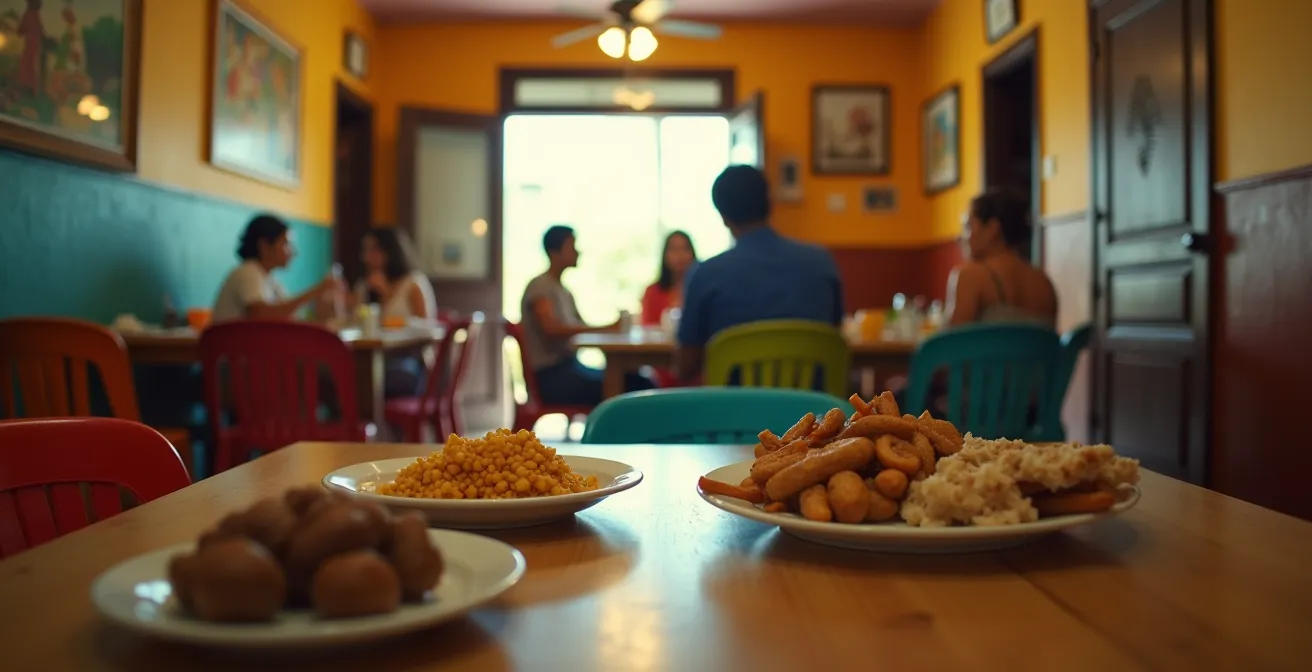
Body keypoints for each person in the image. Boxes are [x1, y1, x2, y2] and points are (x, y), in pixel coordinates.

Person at [676, 165, 844, 383]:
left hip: (733, 414)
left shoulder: (705, 274)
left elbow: (686, 367)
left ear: (724, 217)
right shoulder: (822, 263)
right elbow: (835, 335)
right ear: (771, 205)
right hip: (813, 412)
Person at [520, 225, 654, 406]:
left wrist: (612, 327)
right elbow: (551, 329)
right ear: (555, 252)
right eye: (572, 246)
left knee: (638, 380)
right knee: (628, 385)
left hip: (570, 368)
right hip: (552, 377)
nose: (578, 252)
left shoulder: (563, 291)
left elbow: (580, 327)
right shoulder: (541, 287)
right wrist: (607, 328)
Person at [945, 189, 1057, 328]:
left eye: (968, 226)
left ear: (992, 229)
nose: (959, 238)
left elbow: (951, 345)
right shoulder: (1044, 282)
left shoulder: (969, 276)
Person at [212, 214, 341, 322]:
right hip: (233, 351)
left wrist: (322, 309)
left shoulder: (271, 282)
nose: (293, 252)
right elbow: (261, 315)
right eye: (286, 244)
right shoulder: (247, 272)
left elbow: (288, 317)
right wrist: (315, 291)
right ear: (264, 246)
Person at [352, 227, 437, 322]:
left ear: (389, 251)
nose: (365, 257)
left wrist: (386, 292)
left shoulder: (413, 282)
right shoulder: (365, 285)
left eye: (372, 250)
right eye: (365, 250)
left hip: (413, 337)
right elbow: (357, 321)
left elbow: (426, 325)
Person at [640, 230, 697, 327]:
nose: (680, 255)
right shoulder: (652, 292)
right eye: (674, 249)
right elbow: (648, 329)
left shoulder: (701, 290)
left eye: (685, 249)